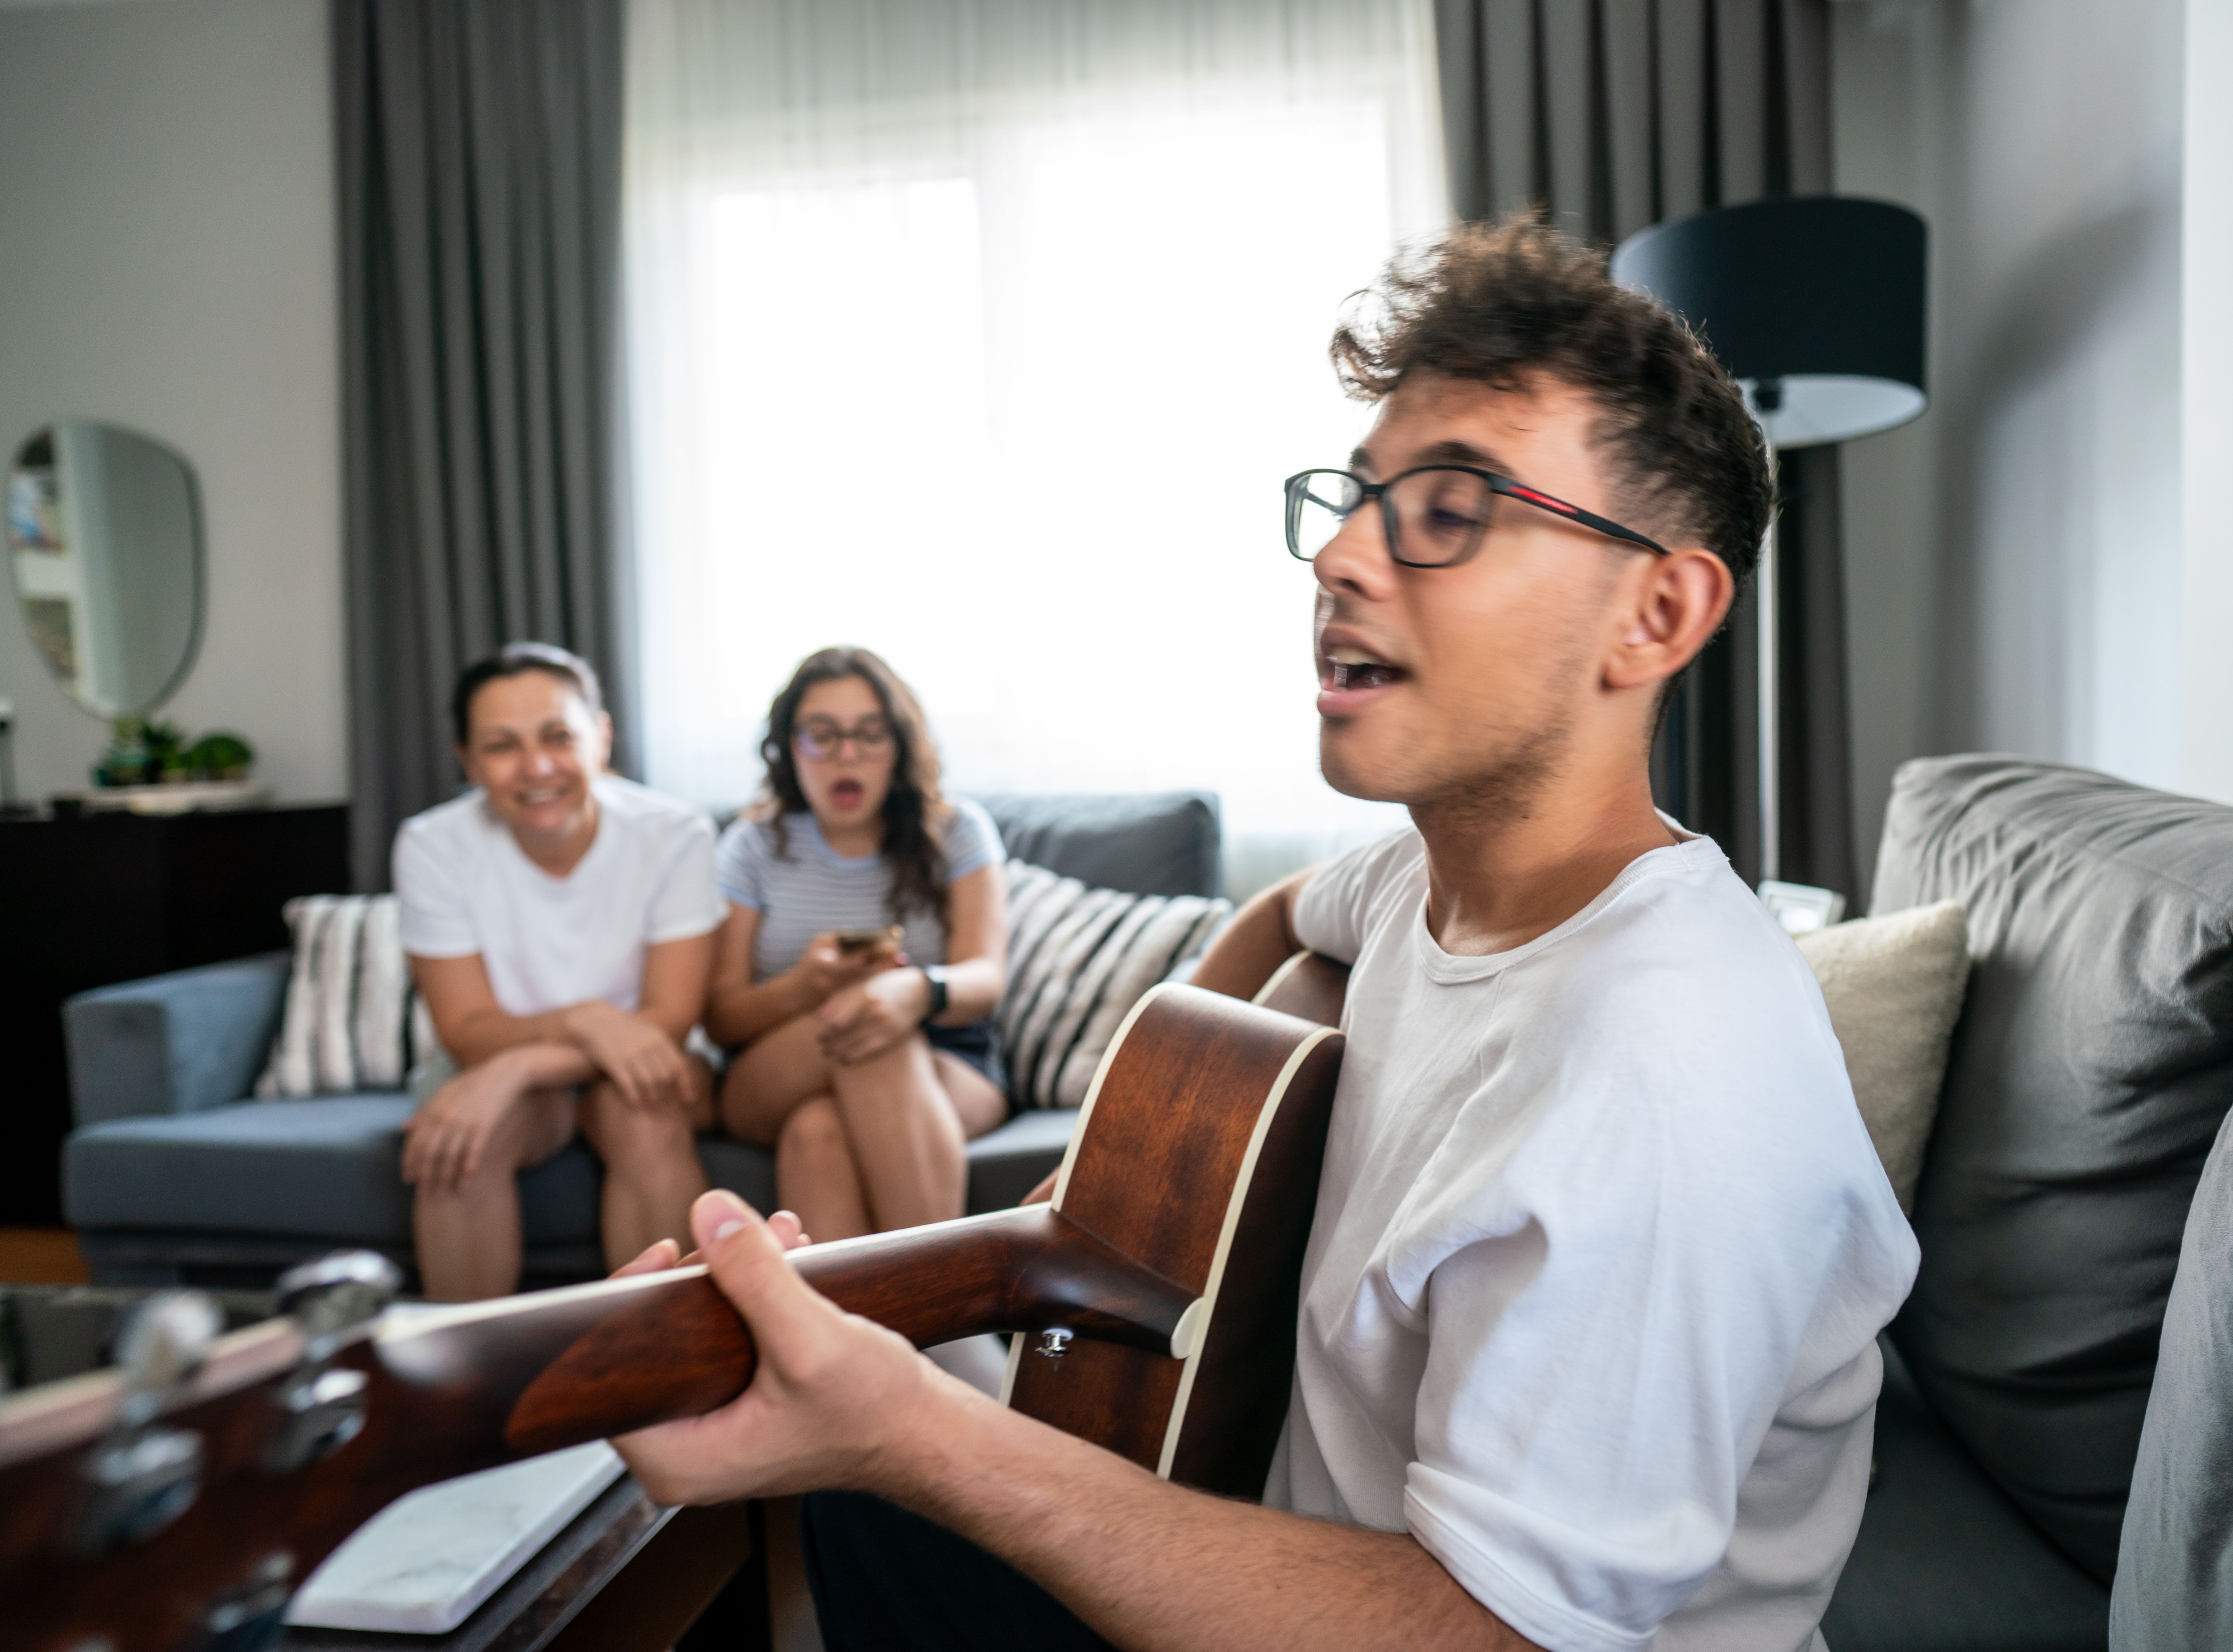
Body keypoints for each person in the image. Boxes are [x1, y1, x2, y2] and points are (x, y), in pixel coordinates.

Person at [611, 220, 1919, 1652]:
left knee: (879, 1478)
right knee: (852, 1498)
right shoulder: (1427, 881)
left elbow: (1499, 1636)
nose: (1345, 557)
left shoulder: (1664, 1070)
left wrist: (912, 1429)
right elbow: (1286, 915)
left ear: (1653, 612)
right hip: (1268, 1540)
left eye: (1450, 506)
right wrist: (1118, 1176)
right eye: (1353, 502)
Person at [395, 642, 724, 1302]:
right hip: (491, 1057)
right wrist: (588, 1019)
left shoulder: (675, 834)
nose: (537, 767)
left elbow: (667, 1021)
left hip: (632, 1059)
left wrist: (518, 1068)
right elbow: (466, 1031)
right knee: (464, 1140)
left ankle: (664, 1376)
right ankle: (467, 1388)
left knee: (648, 1110)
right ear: (467, 759)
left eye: (558, 737)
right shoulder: (431, 845)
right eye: (502, 746)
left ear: (601, 739)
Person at [703, 646, 1011, 1241]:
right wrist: (803, 988)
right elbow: (720, 1017)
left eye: (869, 734)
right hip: (781, 1059)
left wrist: (913, 991)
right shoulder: (751, 845)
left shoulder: (958, 831)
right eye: (823, 734)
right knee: (870, 1026)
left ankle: (837, 1330)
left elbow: (985, 979)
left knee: (820, 1128)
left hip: (947, 1054)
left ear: (898, 746)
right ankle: (945, 1313)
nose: (847, 754)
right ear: (790, 746)